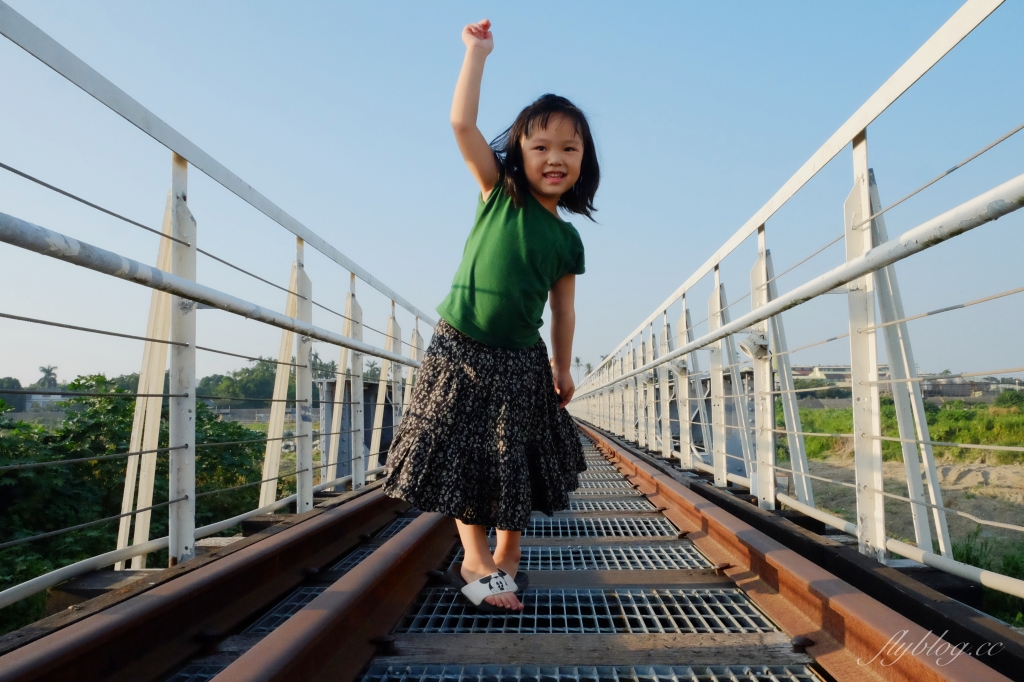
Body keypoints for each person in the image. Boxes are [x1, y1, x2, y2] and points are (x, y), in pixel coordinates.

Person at [383, 18, 599, 612]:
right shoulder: (499, 192)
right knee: (458, 446)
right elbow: (462, 123)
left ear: (584, 161)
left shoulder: (567, 241)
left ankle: (507, 558)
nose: (554, 159)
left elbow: (564, 310)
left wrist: (562, 367)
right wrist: (476, 54)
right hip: (459, 343)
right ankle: (474, 557)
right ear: (519, 154)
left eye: (569, 150)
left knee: (514, 454)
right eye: (541, 147)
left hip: (518, 356)